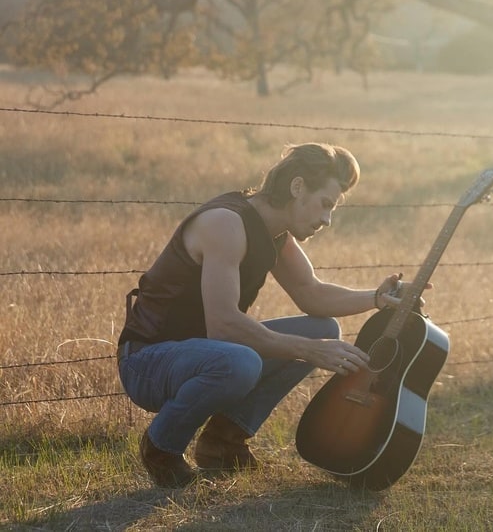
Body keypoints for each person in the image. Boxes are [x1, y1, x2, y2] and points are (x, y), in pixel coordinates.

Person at [117, 142, 406, 487]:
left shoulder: (275, 233)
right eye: (325, 204)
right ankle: (161, 447)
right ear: (297, 187)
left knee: (321, 329)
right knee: (242, 362)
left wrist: (377, 297)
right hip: (147, 360)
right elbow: (223, 326)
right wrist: (308, 351)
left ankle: (222, 442)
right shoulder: (225, 224)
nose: (327, 220)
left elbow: (311, 293)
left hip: (204, 353)